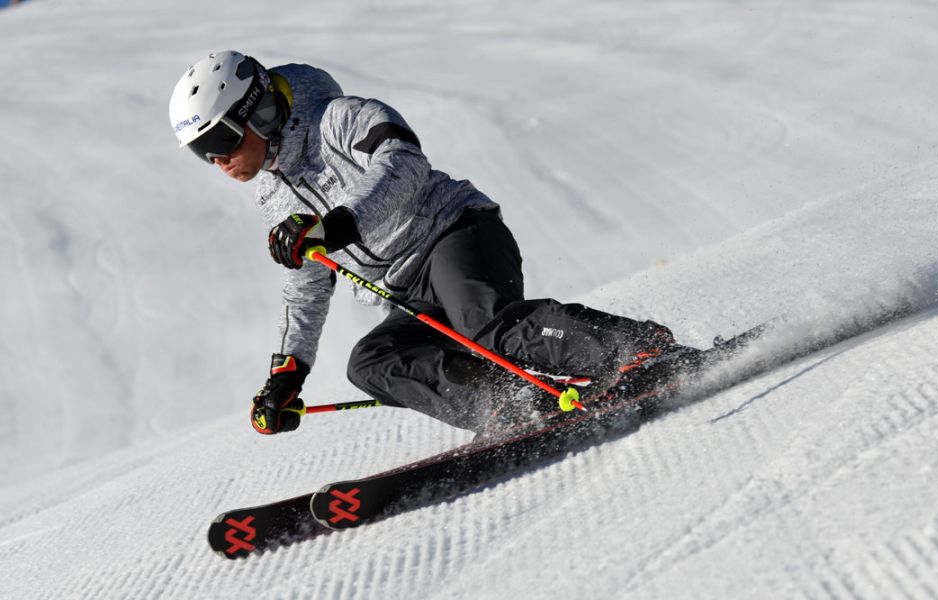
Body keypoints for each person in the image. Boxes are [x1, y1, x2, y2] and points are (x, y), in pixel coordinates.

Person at [168, 50, 698, 437]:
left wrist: (335, 225)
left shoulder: (338, 118)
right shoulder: (271, 190)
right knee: (372, 362)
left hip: (455, 233)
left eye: (221, 141)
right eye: (201, 152)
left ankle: (636, 348)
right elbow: (306, 280)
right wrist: (288, 371)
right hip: (409, 292)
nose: (218, 161)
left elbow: (403, 161)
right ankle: (511, 409)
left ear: (257, 113)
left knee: (482, 321)